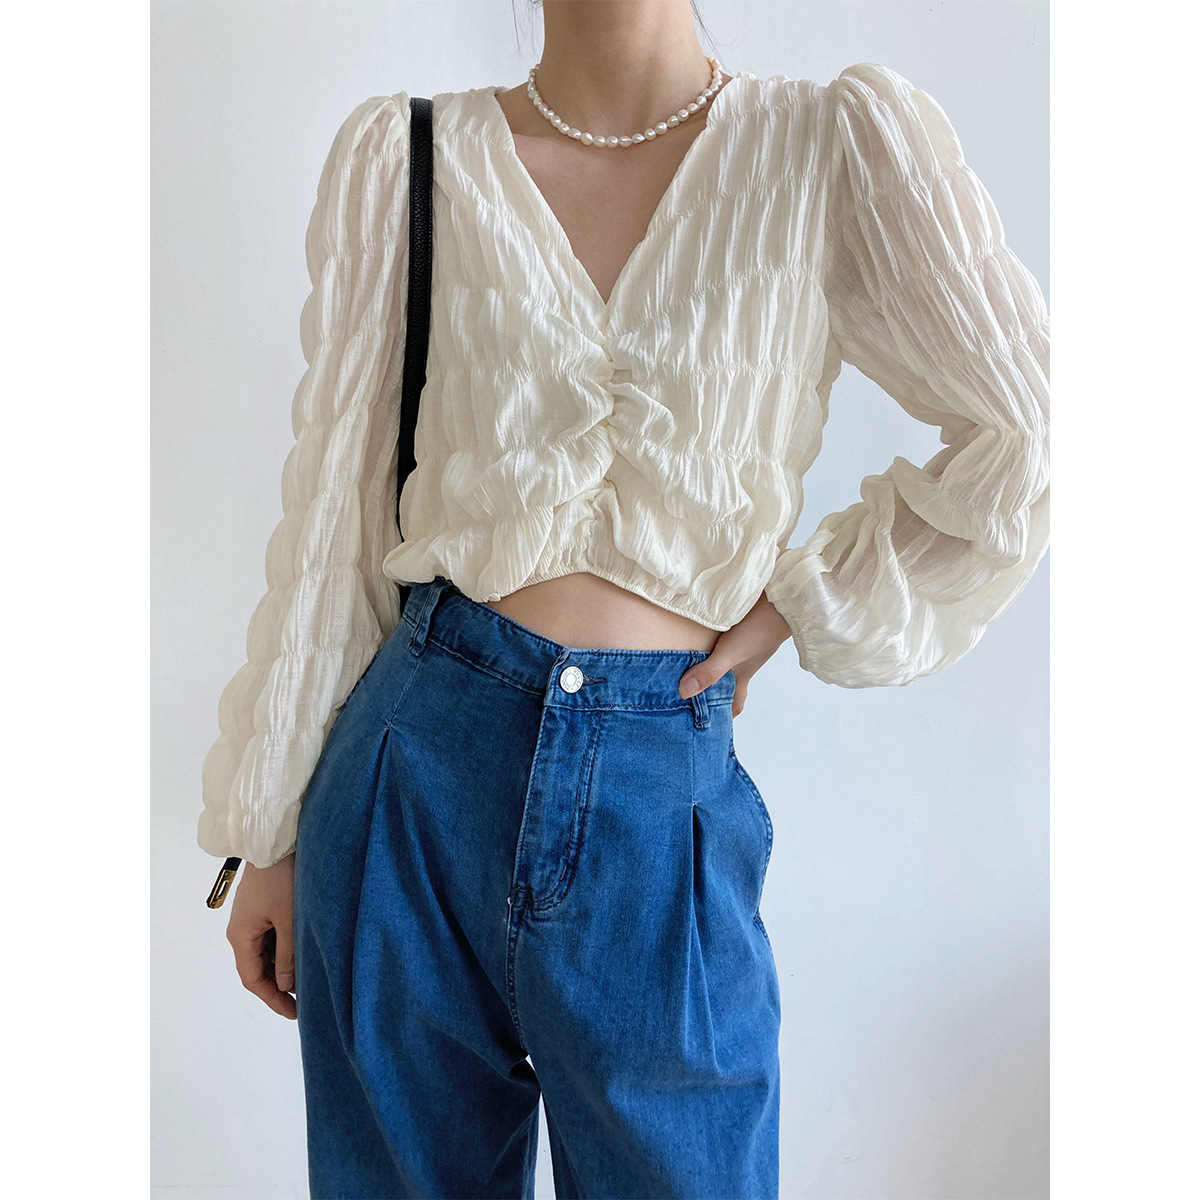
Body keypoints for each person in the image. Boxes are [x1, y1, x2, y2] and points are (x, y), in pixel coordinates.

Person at [198, 2, 1050, 1196]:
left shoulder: (828, 148)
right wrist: (271, 833)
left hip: (661, 798)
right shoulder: (411, 157)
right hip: (413, 775)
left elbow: (1028, 431)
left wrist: (800, 603)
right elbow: (334, 507)